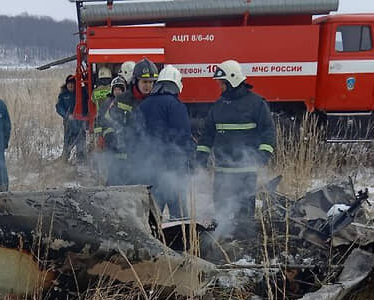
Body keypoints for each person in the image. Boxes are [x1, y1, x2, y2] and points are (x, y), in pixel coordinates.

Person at [196, 60, 276, 239]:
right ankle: (222, 244)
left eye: (222, 83)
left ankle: (245, 246)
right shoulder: (218, 106)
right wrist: (201, 156)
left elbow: (268, 131)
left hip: (246, 173)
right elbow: (207, 135)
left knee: (244, 217)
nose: (220, 87)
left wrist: (264, 154)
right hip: (222, 172)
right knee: (221, 213)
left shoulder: (256, 104)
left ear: (232, 80)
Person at [133, 65, 194, 217]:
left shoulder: (144, 105)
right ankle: (179, 231)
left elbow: (136, 136)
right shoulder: (175, 105)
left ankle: (153, 231)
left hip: (150, 167)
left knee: (153, 213)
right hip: (172, 167)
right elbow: (183, 136)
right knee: (178, 212)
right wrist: (190, 160)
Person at [102, 58, 158, 186]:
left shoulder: (155, 101)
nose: (148, 86)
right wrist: (112, 141)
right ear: (135, 81)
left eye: (151, 82)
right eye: (144, 81)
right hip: (121, 159)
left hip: (146, 160)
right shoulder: (122, 99)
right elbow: (107, 122)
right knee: (115, 192)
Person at [56, 75, 86, 162]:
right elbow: (59, 107)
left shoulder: (82, 93)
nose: (70, 85)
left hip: (80, 122)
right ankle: (64, 159)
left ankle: (81, 159)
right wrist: (67, 115)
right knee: (68, 141)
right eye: (69, 84)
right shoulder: (63, 95)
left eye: (72, 84)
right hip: (68, 123)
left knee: (81, 140)